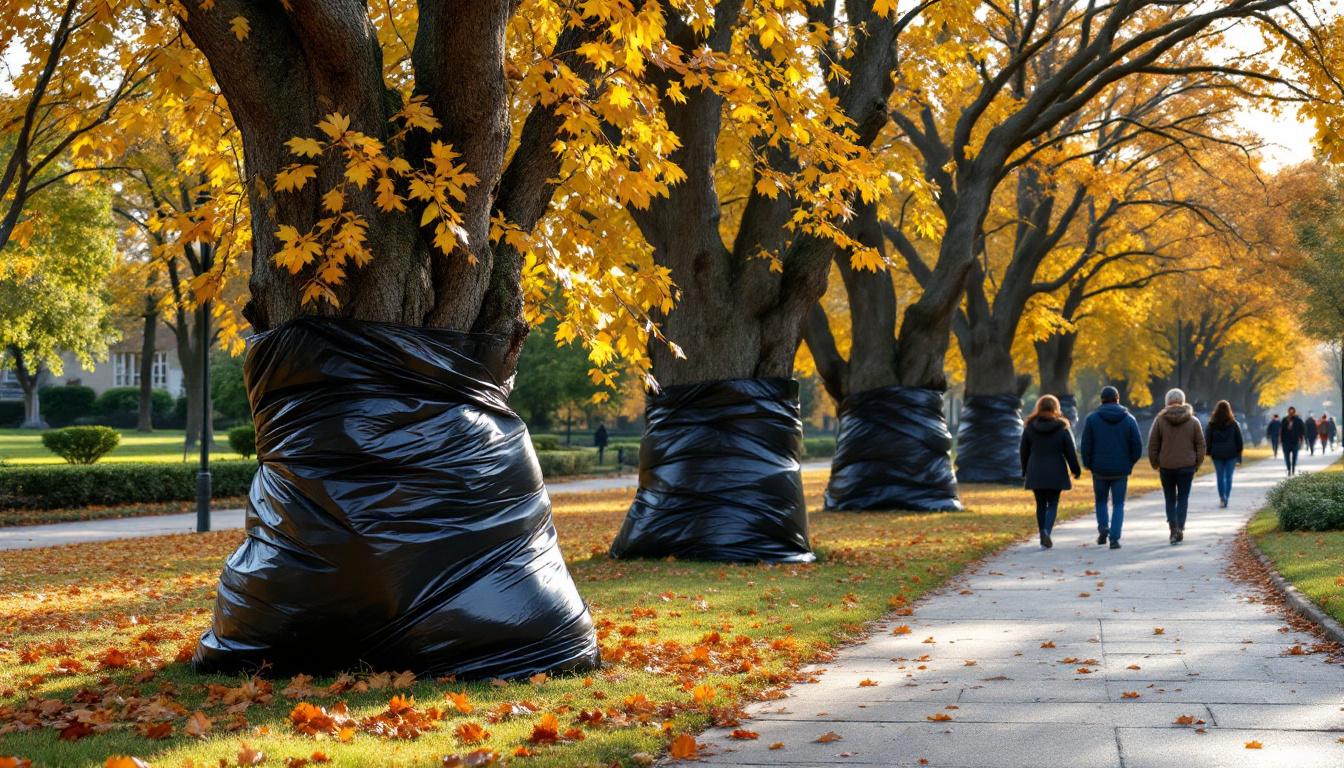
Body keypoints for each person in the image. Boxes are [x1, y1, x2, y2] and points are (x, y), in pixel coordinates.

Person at [1080, 385, 1143, 549]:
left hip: (1099, 468)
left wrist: (1088, 463)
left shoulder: (1092, 419)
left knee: (1100, 501)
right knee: (1118, 504)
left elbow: (1086, 444)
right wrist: (1130, 462)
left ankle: (1103, 528)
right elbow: (1137, 446)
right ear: (1117, 398)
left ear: (1101, 400)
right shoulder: (1129, 419)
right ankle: (1114, 538)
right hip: (1121, 469)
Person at [1020, 394, 1081, 550]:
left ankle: (1042, 534)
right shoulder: (1062, 427)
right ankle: (1047, 531)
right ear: (1056, 408)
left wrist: (1024, 469)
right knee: (1053, 503)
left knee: (1041, 504)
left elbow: (1023, 451)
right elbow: (1070, 451)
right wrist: (1075, 470)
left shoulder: (1030, 426)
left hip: (1036, 470)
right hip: (1056, 470)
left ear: (1039, 407)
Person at [1148, 388, 1205, 545]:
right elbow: (1201, 445)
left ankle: (1173, 528)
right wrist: (1197, 463)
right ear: (1183, 401)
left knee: (1170, 498)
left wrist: (1155, 462)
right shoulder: (1193, 421)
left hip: (1166, 466)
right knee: (1183, 498)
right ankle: (1180, 526)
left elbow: (1153, 444)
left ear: (1167, 402)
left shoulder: (1160, 421)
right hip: (1187, 466)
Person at [1206, 400, 1244, 508]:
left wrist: (1208, 451)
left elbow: (1207, 439)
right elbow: (1239, 441)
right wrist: (1239, 454)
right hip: (1231, 454)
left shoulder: (1212, 424)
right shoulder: (1234, 424)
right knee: (1228, 477)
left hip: (1217, 454)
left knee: (1219, 476)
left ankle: (1222, 497)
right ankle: (1226, 496)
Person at [1280, 406, 1306, 476]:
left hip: (1295, 441)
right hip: (1286, 442)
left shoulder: (1298, 420)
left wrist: (1302, 439)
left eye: (1292, 412)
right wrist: (1281, 440)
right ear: (1288, 412)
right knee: (1286, 457)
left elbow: (1302, 431)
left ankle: (1293, 468)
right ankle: (1289, 469)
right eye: (1290, 411)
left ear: (1294, 412)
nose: (1291, 413)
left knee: (1295, 457)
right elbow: (1281, 431)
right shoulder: (1284, 420)